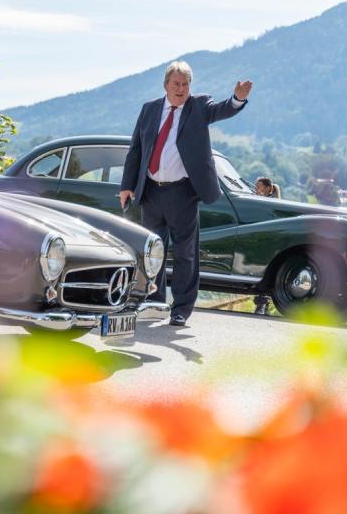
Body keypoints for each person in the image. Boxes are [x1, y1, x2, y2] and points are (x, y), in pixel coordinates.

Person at [119, 60, 253, 327]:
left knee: (185, 253)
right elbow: (136, 149)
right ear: (166, 85)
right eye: (176, 84)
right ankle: (154, 301)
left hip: (182, 193)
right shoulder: (149, 110)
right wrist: (127, 185)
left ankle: (180, 309)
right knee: (152, 250)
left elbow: (223, 109)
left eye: (185, 84)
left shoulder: (199, 106)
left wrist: (237, 99)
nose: (181, 89)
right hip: (151, 192)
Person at [252, 176, 281, 315]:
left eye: (259, 187)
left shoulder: (271, 203)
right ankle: (263, 305)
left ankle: (262, 305)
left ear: (268, 188)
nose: (256, 189)